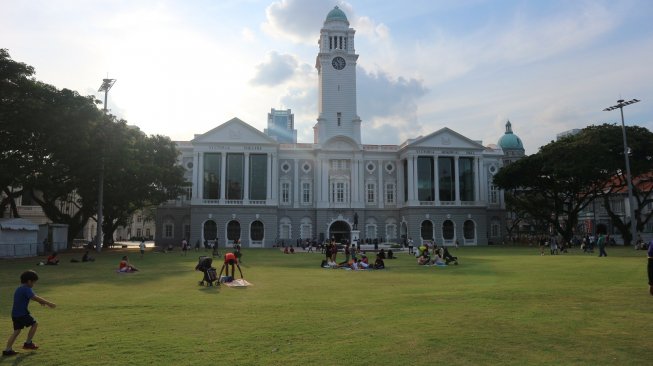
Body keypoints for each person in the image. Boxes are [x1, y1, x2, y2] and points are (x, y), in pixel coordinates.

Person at [3, 270, 56, 357]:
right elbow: (35, 297)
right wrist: (49, 303)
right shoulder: (26, 289)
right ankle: (28, 343)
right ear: (29, 281)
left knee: (16, 331)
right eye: (34, 282)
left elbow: (32, 297)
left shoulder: (20, 288)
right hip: (22, 314)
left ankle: (7, 350)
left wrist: (40, 302)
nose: (33, 284)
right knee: (34, 324)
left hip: (15, 314)